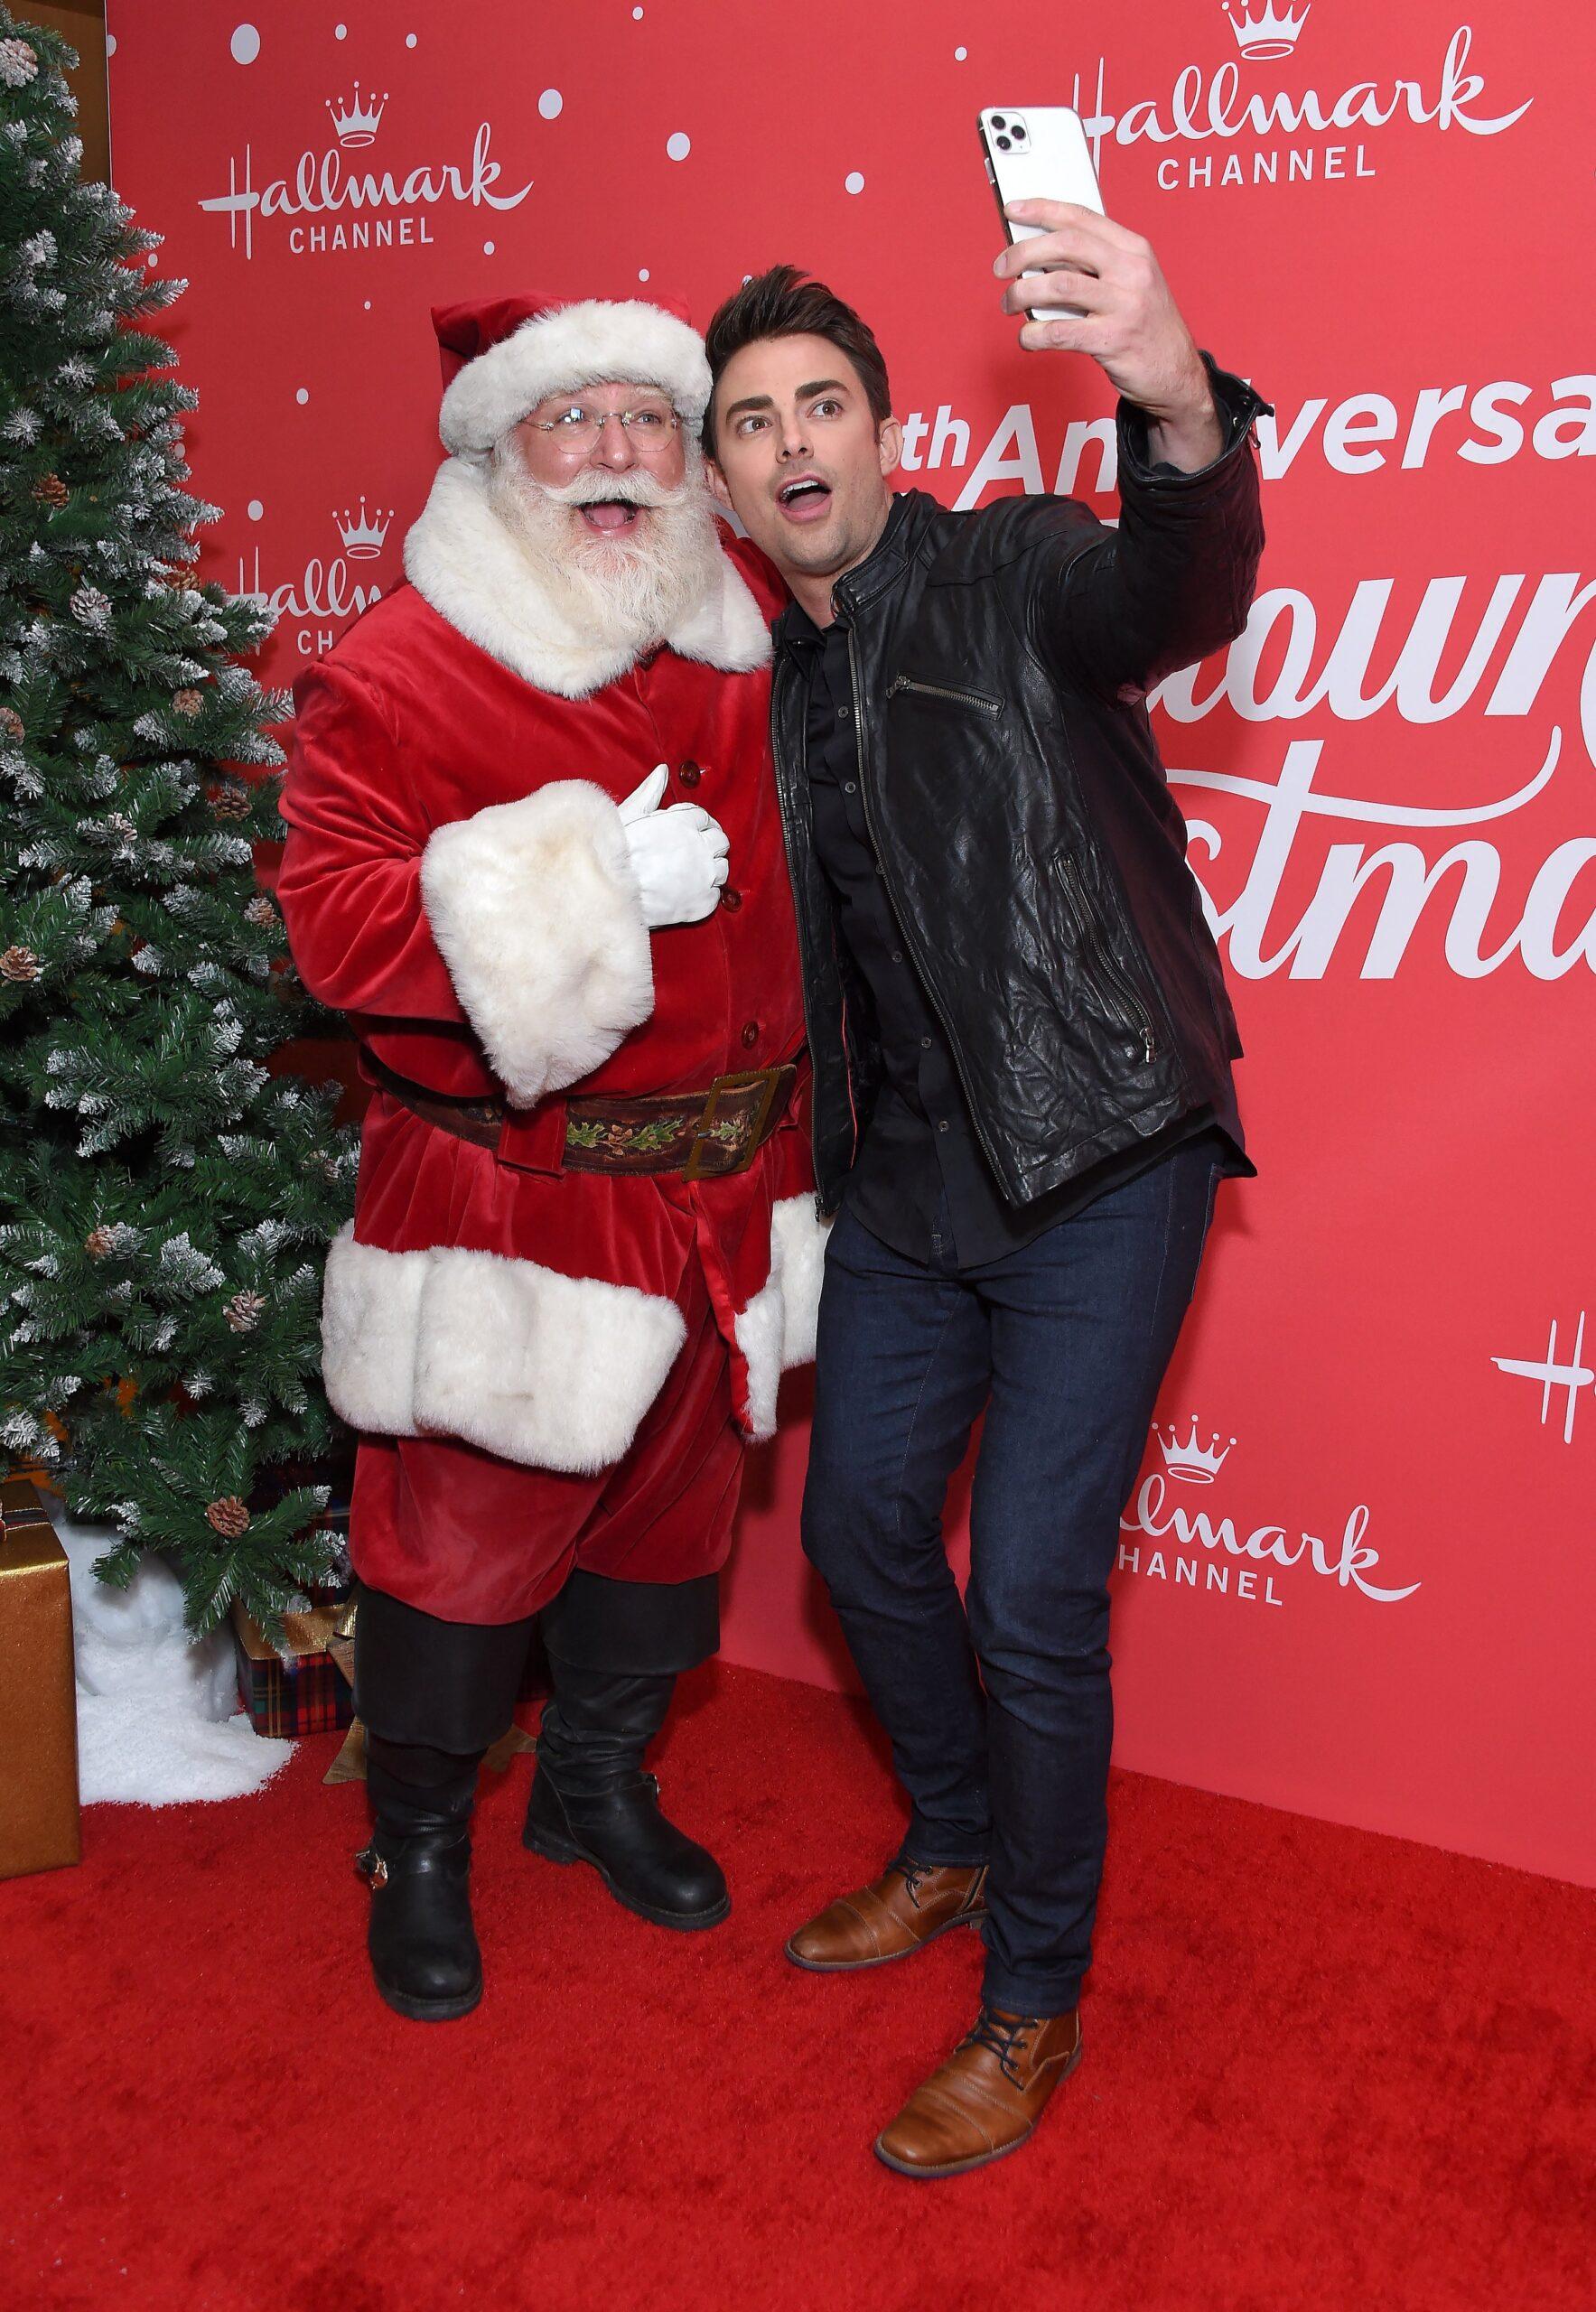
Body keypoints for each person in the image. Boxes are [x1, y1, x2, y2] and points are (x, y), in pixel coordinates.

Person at [700, 206, 1268, 2176]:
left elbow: (1170, 597)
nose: (793, 444)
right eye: (752, 419)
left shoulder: (1011, 566)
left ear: (877, 433)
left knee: (1028, 1591)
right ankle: (948, 1837)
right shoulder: (766, 676)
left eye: (824, 404)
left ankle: (1031, 1999)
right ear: (723, 477)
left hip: (1104, 1146)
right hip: (916, 1188)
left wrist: (1175, 400)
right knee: (857, 1532)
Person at [277, 292, 824, 2023]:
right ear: (494, 454)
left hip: (724, 1194)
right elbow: (337, 925)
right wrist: (581, 885)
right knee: (460, 1559)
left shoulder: (752, 642)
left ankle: (599, 1784)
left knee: (665, 1534)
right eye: (568, 419)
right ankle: (418, 1843)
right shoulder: (400, 664)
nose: (612, 453)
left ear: (693, 459)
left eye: (646, 419)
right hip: (510, 1200)